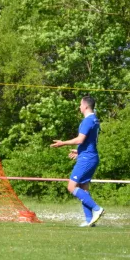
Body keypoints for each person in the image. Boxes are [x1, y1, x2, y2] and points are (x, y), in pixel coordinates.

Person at [51, 95, 104, 227]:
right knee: (83, 189)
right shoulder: (95, 120)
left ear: (86, 106)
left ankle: (97, 209)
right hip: (89, 156)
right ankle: (89, 220)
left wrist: (63, 143)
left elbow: (80, 139)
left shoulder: (87, 120)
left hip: (87, 158)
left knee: (71, 187)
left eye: (80, 104)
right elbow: (89, 141)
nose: (79, 107)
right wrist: (79, 151)